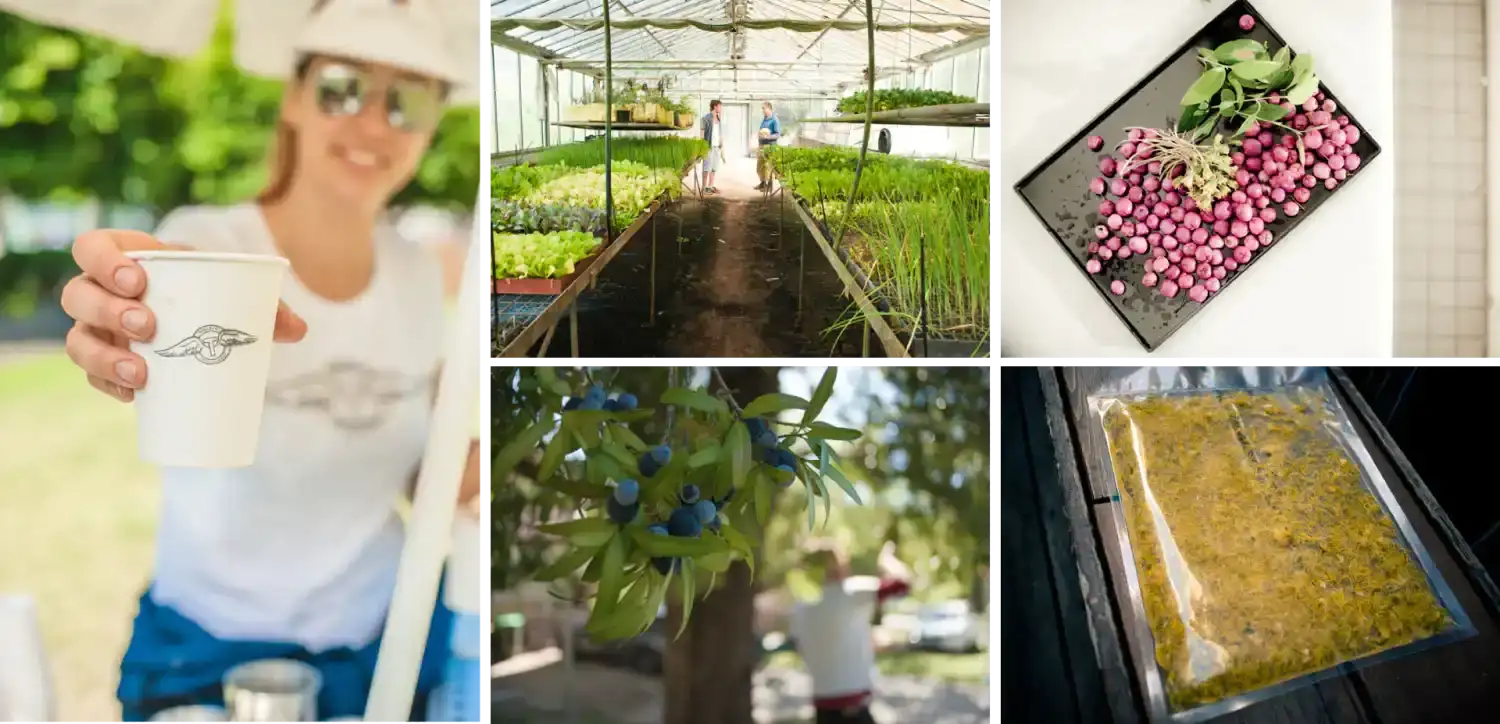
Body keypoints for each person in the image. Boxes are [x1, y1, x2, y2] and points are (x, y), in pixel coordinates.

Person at [55, 1, 484, 721]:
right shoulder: (205, 241)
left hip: (385, 646)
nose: (375, 122)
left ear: (434, 123)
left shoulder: (418, 273)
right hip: (203, 650)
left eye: (408, 100)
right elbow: (143, 320)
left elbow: (428, 467)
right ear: (293, 94)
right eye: (343, 86)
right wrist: (122, 320)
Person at [789, 540, 912, 724]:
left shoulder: (801, 606)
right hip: (853, 706)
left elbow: (804, 645)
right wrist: (887, 560)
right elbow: (902, 585)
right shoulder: (851, 592)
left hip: (822, 705)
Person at [755, 101, 782, 191]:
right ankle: (763, 183)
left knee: (768, 167)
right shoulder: (765, 118)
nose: (763, 111)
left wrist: (768, 137)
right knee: (760, 167)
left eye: (764, 109)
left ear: (769, 109)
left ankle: (769, 186)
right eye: (762, 109)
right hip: (762, 145)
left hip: (770, 147)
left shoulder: (774, 120)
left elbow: (778, 134)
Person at [700, 99, 725, 194]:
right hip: (709, 146)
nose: (721, 108)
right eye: (720, 106)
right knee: (706, 167)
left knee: (714, 167)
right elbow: (702, 133)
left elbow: (719, 132)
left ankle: (710, 186)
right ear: (715, 106)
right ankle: (704, 187)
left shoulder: (718, 118)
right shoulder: (706, 118)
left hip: (717, 147)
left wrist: (721, 142)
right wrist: (702, 146)